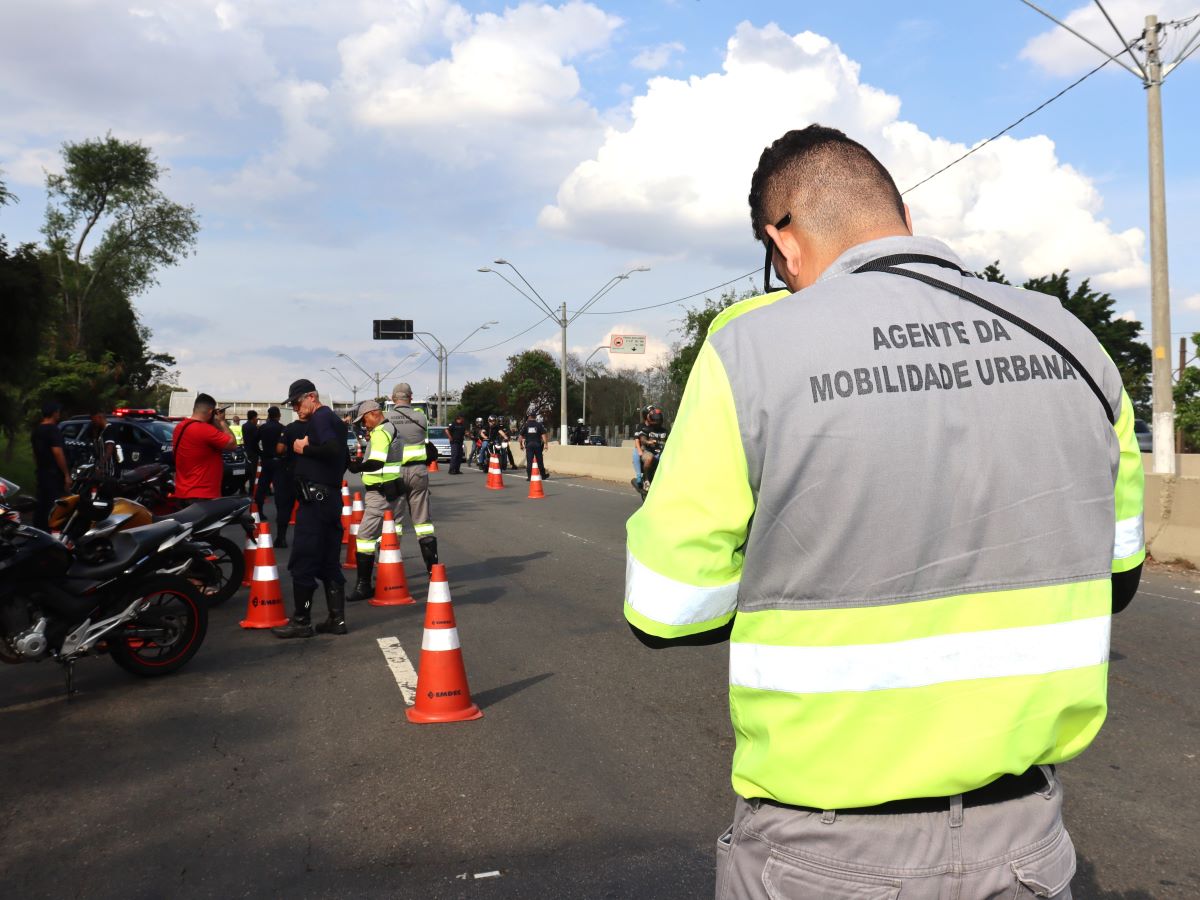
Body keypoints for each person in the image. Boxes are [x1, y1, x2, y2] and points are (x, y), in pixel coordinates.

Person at [624, 124, 1145, 899]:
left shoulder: (752, 351)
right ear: (896, 211)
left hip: (824, 854)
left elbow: (666, 610)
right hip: (1025, 845)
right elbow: (1120, 575)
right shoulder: (1071, 341)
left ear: (782, 243)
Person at [274, 379, 349, 638]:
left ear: (312, 396)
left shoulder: (321, 418)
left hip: (316, 501)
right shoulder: (331, 420)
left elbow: (332, 448)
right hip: (329, 499)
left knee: (304, 561)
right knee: (328, 560)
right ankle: (336, 620)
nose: (295, 408)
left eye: (297, 402)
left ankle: (302, 618)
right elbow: (343, 455)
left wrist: (306, 448)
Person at [344, 400, 404, 601]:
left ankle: (363, 585)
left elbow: (377, 461)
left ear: (373, 413)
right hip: (391, 491)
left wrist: (356, 467)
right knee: (386, 536)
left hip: (380, 494)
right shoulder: (390, 428)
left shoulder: (380, 432)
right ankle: (385, 578)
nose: (364, 424)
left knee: (364, 537)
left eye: (364, 420)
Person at [382, 383, 439, 575]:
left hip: (394, 473)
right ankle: (432, 569)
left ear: (392, 397)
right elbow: (424, 438)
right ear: (411, 397)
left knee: (394, 521)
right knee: (423, 521)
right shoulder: (420, 417)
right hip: (418, 471)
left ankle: (391, 570)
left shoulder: (386, 418)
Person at [171, 394, 236, 502]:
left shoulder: (180, 427)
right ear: (211, 412)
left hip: (183, 493)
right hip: (203, 496)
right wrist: (221, 421)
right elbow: (232, 444)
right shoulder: (205, 430)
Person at [31, 401, 70, 532]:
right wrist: (66, 474)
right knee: (53, 505)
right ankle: (49, 532)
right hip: (53, 474)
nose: (59, 414)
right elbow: (58, 453)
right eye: (58, 412)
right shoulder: (53, 430)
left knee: (41, 503)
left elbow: (35, 453)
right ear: (54, 413)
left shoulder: (37, 430)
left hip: (42, 472)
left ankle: (37, 530)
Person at [272, 409, 308, 549]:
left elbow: (280, 449)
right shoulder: (314, 427)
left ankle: (281, 538)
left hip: (288, 471)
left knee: (284, 507)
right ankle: (304, 539)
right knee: (307, 507)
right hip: (308, 473)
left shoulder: (289, 428)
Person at [630, 405, 668, 494]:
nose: (657, 421)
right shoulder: (644, 428)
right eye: (655, 419)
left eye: (658, 419)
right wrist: (647, 442)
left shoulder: (665, 431)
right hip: (649, 451)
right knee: (648, 457)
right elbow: (641, 438)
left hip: (661, 453)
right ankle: (645, 480)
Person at [255, 406, 283, 519]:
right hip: (279, 461)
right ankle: (280, 513)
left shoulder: (263, 428)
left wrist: (261, 453)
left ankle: (259, 512)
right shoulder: (282, 428)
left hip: (266, 461)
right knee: (280, 489)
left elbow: (253, 443)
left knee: (262, 488)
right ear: (278, 415)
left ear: (269, 415)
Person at [89, 408, 119, 479]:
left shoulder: (109, 429)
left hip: (108, 470)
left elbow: (109, 449)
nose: (93, 422)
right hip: (103, 470)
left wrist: (100, 465)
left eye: (94, 419)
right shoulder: (101, 431)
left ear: (99, 417)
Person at [519, 412, 549, 481]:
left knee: (529, 461)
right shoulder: (539, 425)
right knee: (540, 460)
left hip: (529, 445)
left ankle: (529, 477)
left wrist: (520, 445)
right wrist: (546, 444)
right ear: (535, 417)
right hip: (537, 445)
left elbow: (520, 437)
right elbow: (543, 435)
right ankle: (543, 475)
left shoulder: (526, 425)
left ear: (529, 417)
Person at [241, 410, 260, 495]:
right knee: (253, 472)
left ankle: (242, 488)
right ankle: (251, 489)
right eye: (256, 418)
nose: (257, 419)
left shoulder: (244, 426)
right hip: (253, 452)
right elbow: (255, 440)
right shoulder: (253, 427)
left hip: (246, 450)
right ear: (253, 418)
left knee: (246, 471)